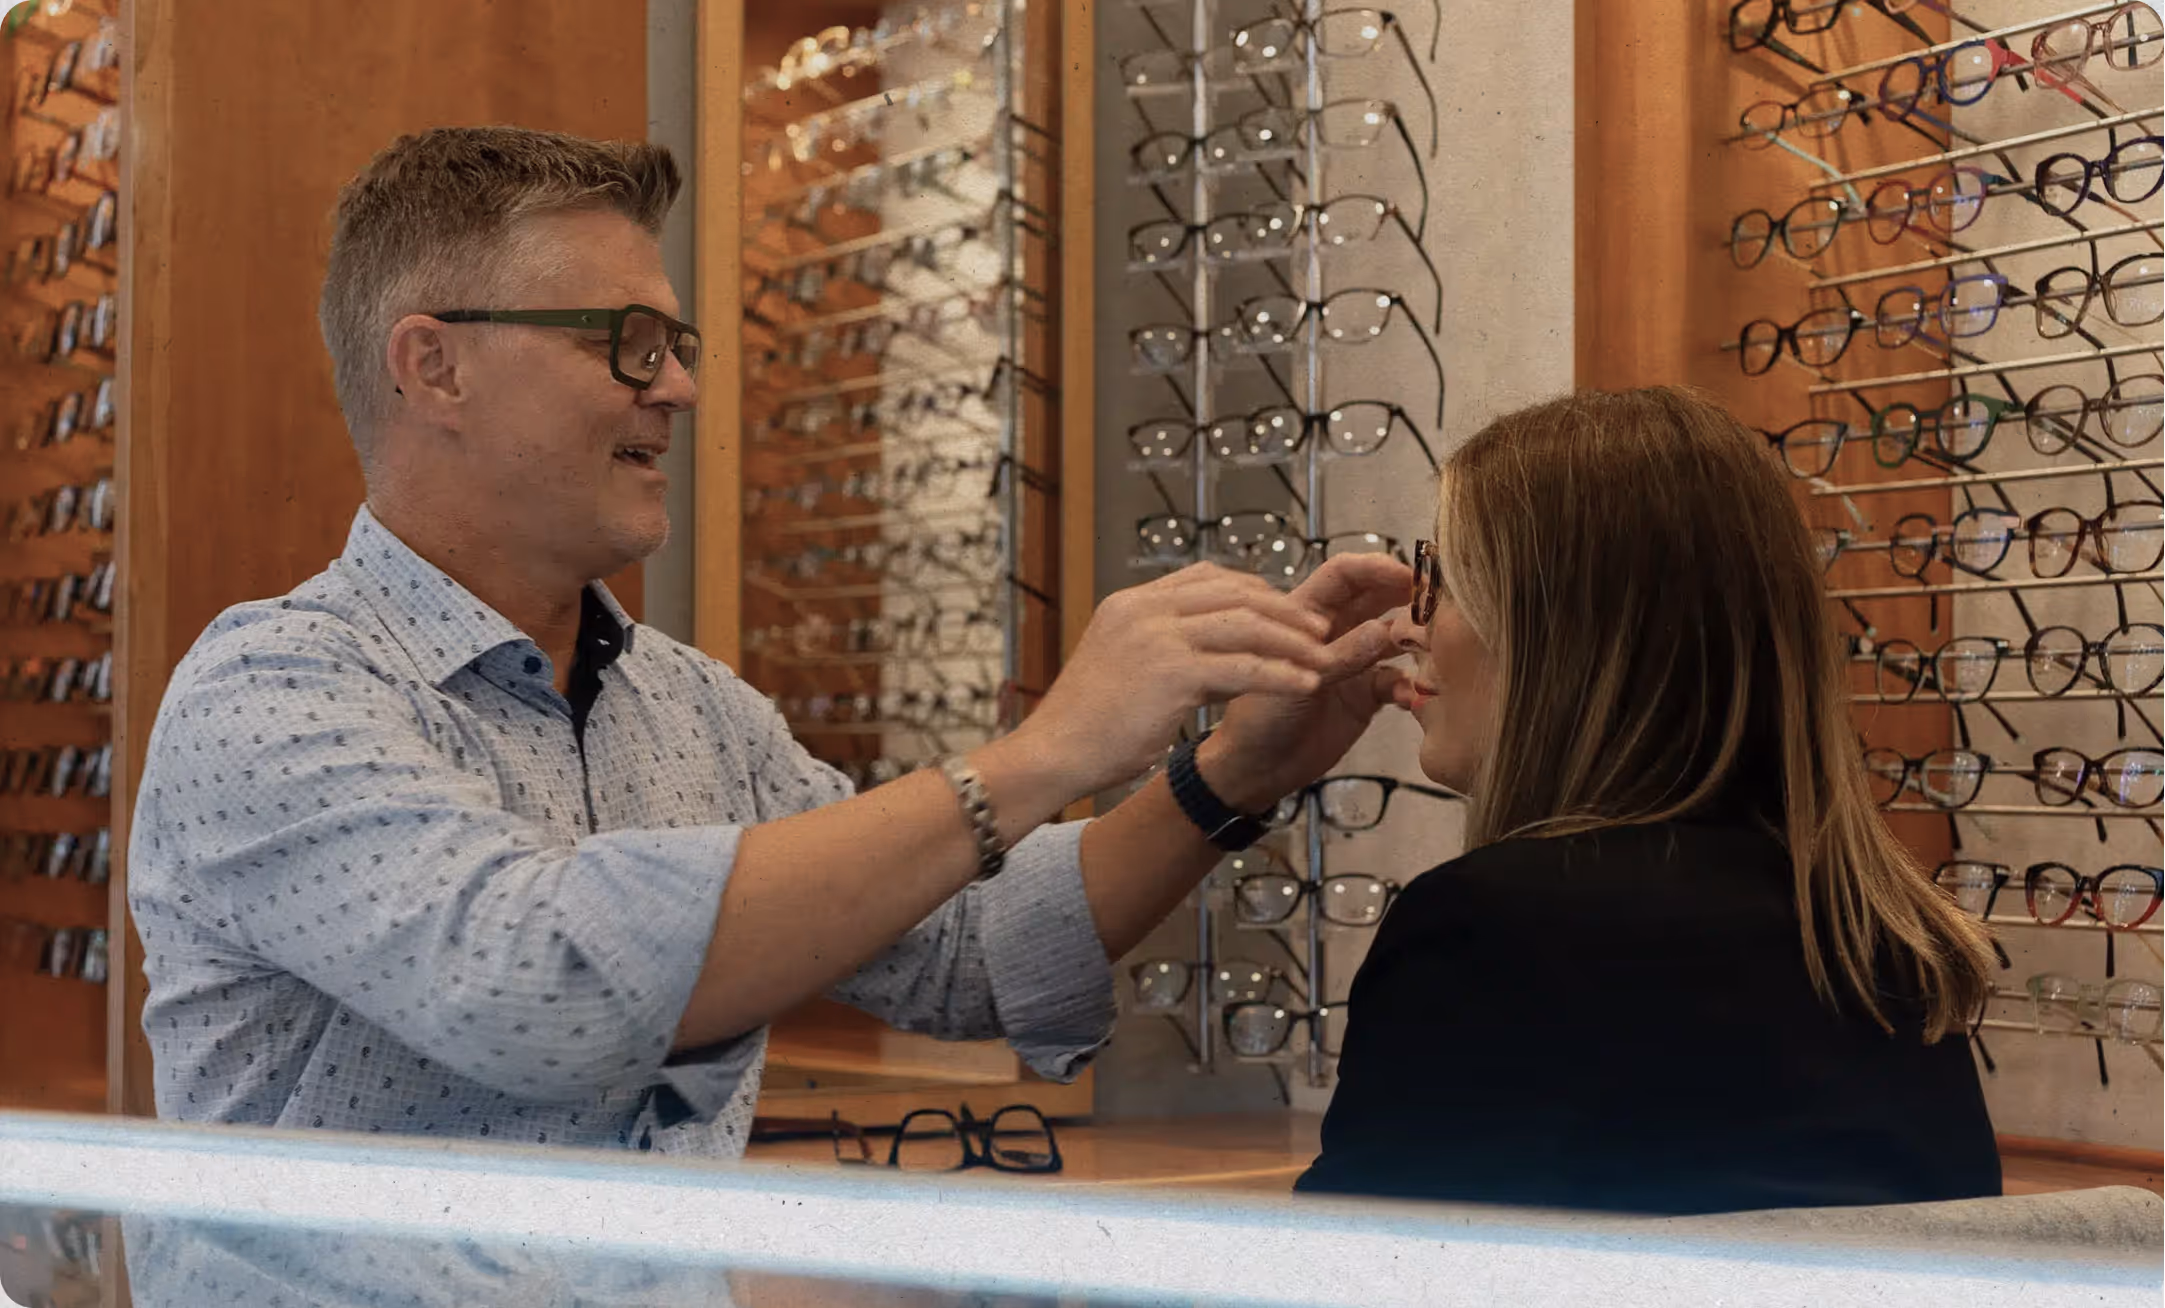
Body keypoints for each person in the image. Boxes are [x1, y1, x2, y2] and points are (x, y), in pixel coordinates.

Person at [126, 126, 1415, 1155]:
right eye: (627, 343)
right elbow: (541, 984)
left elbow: (968, 953)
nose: (677, 387)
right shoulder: (271, 693)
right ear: (434, 368)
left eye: (676, 345)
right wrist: (1044, 752)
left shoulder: (691, 708)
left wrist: (1233, 774)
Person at [1296, 386, 2003, 1214]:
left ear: (1556, 630)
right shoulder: (1880, 936)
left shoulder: (1485, 928)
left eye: (1441, 581)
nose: (1407, 629)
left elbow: (1350, 1280)